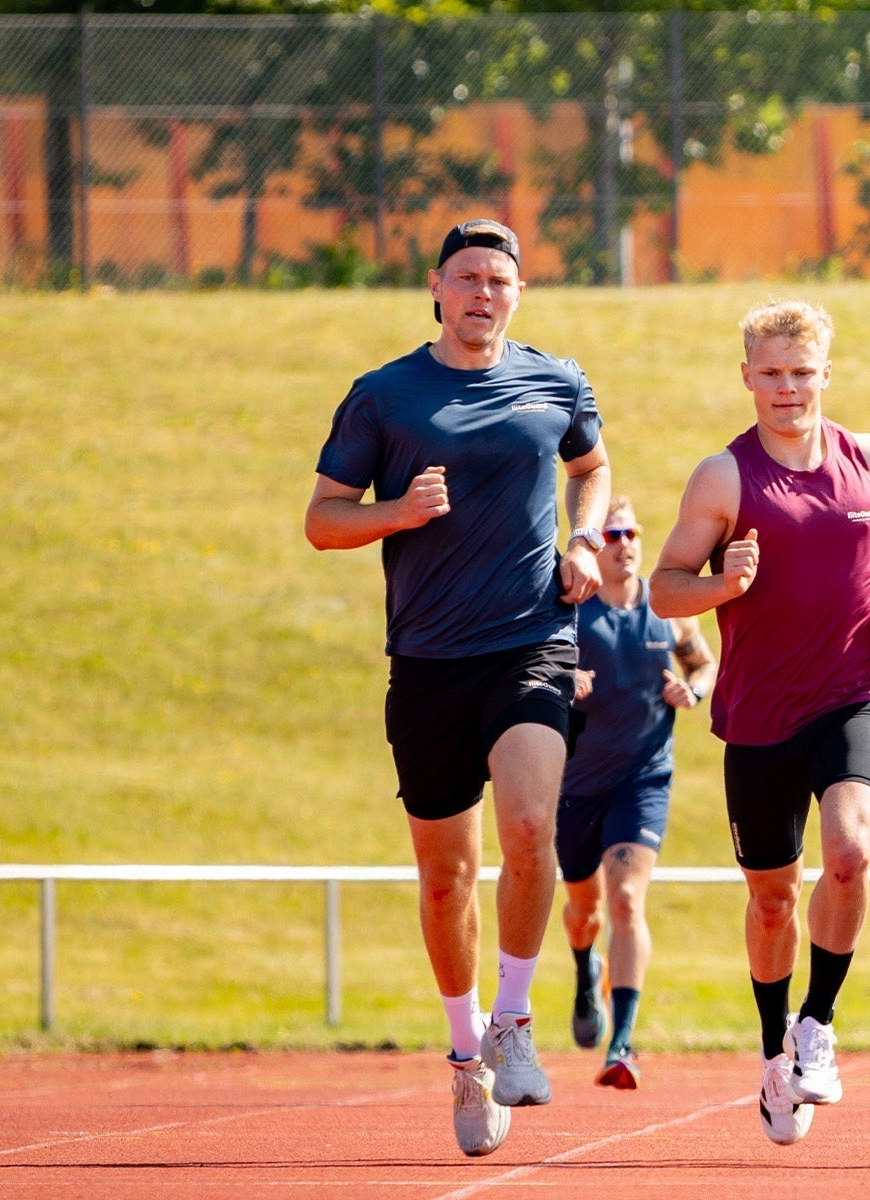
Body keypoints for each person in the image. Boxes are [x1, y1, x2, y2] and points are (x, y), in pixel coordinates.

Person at [304, 219, 610, 1158]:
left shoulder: (557, 380)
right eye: (468, 277)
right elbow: (322, 521)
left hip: (531, 643)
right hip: (428, 660)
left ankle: (515, 1021)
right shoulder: (385, 396)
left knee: (528, 829)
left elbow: (590, 470)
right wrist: (397, 512)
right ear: (437, 288)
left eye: (501, 280)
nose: (484, 292)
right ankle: (464, 1055)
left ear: (519, 293)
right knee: (444, 880)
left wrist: (586, 538)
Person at [650, 299, 870, 1147]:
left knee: (849, 851)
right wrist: (723, 588)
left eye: (801, 373)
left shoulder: (869, 460)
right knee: (773, 900)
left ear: (826, 376)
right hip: (759, 716)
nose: (787, 388)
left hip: (851, 694)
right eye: (770, 373)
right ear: (746, 378)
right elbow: (664, 589)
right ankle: (774, 1055)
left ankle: (818, 1025)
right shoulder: (723, 477)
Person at [556, 495, 717, 1091]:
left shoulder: (667, 609)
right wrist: (563, 679)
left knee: (625, 900)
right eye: (612, 535)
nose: (624, 544)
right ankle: (582, 970)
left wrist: (692, 691)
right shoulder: (572, 610)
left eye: (631, 534)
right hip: (574, 785)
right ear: (596, 545)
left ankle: (622, 1044)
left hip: (643, 779)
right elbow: (533, 668)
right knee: (584, 911)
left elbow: (705, 664)